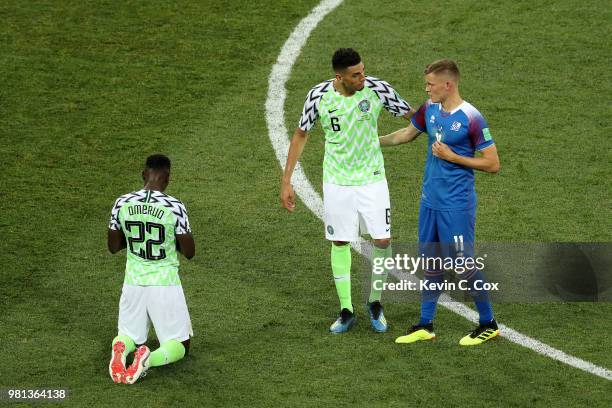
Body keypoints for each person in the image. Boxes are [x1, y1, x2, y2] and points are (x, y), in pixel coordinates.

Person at [280, 48, 415, 333]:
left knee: (382, 239)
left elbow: (413, 117)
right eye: (356, 75)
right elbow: (301, 134)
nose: (362, 78)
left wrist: (440, 122)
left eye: (363, 71)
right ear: (339, 76)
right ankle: (346, 310)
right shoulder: (318, 96)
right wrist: (286, 180)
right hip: (337, 182)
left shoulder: (378, 89)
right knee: (340, 242)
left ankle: (375, 303)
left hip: (372, 179)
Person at [379, 59, 501, 346]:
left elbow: (493, 163)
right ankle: (425, 324)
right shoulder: (429, 109)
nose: (427, 88)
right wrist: (373, 141)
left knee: (462, 263)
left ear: (448, 85)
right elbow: (407, 134)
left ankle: (488, 323)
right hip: (430, 201)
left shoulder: (472, 118)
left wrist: (454, 157)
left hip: (456, 205)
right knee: (431, 260)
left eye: (431, 84)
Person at [107, 154, 196, 384]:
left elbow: (113, 246)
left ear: (144, 174)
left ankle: (120, 349)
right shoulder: (174, 206)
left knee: (128, 335)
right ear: (167, 178)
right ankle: (147, 359)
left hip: (133, 281)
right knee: (181, 344)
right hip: (164, 283)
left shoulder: (122, 202)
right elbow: (189, 251)